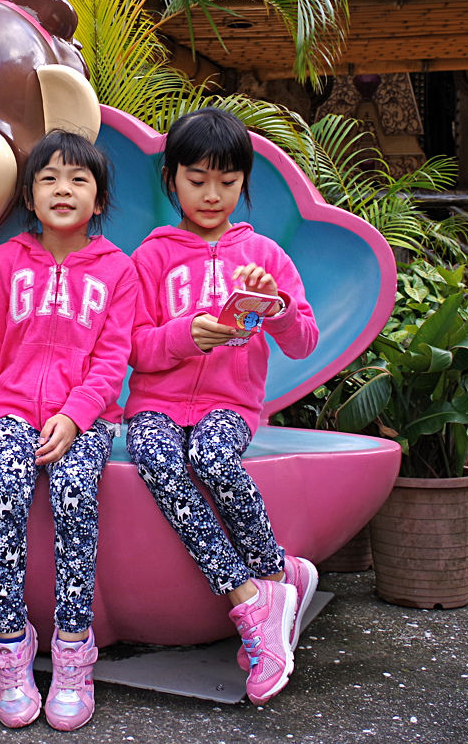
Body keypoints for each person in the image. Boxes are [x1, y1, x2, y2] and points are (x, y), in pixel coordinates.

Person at [0, 131, 137, 731]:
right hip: (11, 412)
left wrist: (75, 416)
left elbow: (112, 359)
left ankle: (73, 648)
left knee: (73, 496)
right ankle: (11, 648)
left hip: (85, 418)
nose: (63, 189)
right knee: (7, 487)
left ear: (98, 201)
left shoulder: (117, 270)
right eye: (49, 178)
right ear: (29, 195)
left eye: (78, 180)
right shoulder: (5, 263)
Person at [124, 107, 321, 706]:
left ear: (244, 182)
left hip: (230, 404)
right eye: (197, 179)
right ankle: (256, 598)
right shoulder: (150, 258)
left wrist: (278, 307)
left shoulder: (263, 255)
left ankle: (274, 577)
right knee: (159, 463)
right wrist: (188, 335)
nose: (212, 194)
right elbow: (136, 348)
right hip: (154, 405)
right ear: (172, 179)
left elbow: (304, 340)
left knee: (212, 458)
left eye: (228, 181)